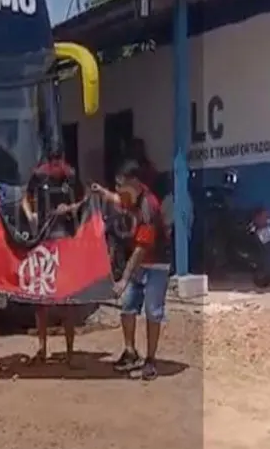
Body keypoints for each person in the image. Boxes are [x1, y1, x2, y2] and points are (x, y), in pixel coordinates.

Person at [92, 160, 170, 381]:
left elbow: (141, 249)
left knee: (153, 310)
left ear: (134, 182)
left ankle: (151, 360)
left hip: (156, 264)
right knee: (127, 308)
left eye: (121, 184)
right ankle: (130, 351)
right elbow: (118, 201)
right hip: (139, 263)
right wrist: (102, 192)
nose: (118, 189)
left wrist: (123, 279)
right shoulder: (132, 198)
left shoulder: (149, 206)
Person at [20, 155, 82, 365]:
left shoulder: (71, 176)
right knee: (41, 298)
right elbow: (25, 198)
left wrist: (70, 209)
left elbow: (82, 202)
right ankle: (42, 348)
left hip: (65, 241)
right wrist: (31, 217)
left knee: (67, 299)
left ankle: (70, 350)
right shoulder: (39, 175)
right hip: (44, 241)